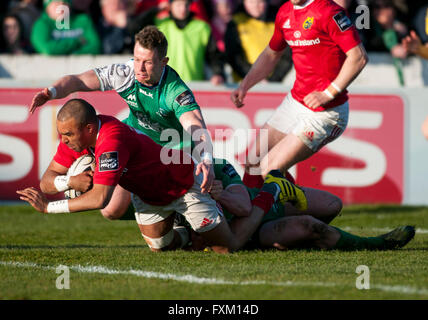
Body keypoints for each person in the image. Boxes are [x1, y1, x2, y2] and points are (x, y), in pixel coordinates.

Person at [17, 98, 308, 253]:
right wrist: (69, 181)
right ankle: (191, 234)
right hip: (149, 195)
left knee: (227, 247)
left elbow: (100, 199)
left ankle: (271, 191)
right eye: (61, 134)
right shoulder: (76, 140)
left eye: (67, 134)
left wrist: (49, 207)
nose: (63, 139)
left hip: (182, 184)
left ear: (88, 130)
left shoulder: (111, 139)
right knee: (162, 247)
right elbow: (46, 179)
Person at [28, 25, 215, 202]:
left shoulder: (175, 91)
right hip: (135, 143)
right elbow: (77, 81)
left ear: (163, 62)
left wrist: (206, 159)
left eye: (148, 62)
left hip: (172, 149)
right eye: (137, 59)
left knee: (175, 199)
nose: (139, 68)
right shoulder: (124, 73)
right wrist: (51, 92)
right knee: (111, 209)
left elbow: (196, 125)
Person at [230, 0, 368, 188]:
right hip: (296, 102)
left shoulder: (329, 11)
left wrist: (329, 93)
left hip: (326, 113)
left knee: (269, 170)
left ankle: (282, 212)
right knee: (253, 162)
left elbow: (358, 57)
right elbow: (272, 53)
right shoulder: (285, 12)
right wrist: (245, 85)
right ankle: (256, 211)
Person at [128, 0, 225, 85]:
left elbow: (214, 55)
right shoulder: (160, 24)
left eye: (186, 4)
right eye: (178, 4)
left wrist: (218, 74)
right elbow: (132, 27)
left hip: (193, 86)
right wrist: (156, 10)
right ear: (170, 5)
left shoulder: (202, 27)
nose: (183, 9)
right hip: (165, 86)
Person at [224, 0, 292, 82]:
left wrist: (273, 80)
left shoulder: (279, 22)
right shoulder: (236, 23)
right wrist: (253, 78)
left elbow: (287, 56)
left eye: (260, 2)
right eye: (251, 2)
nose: (255, 6)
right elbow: (234, 57)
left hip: (273, 85)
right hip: (243, 84)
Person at [30, 0, 101, 55]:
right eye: (56, 3)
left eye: (64, 3)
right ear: (47, 7)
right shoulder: (41, 24)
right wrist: (78, 42)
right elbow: (47, 49)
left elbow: (95, 46)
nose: (61, 7)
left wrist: (76, 54)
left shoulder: (83, 20)